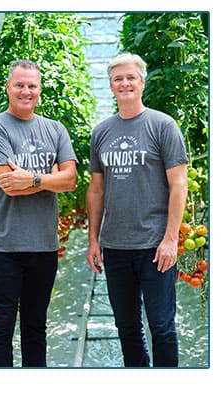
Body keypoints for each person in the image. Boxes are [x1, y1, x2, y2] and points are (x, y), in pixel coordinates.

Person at [86, 53, 188, 367]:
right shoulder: (101, 132)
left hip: (155, 247)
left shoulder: (162, 125)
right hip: (116, 247)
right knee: (127, 327)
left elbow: (179, 185)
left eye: (131, 77)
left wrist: (170, 239)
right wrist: (93, 240)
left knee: (161, 325)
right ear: (111, 86)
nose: (125, 83)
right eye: (118, 79)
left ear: (141, 82)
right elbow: (96, 189)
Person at [0, 59, 77, 367]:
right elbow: (9, 185)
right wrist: (50, 179)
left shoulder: (55, 129)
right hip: (2, 246)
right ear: (8, 87)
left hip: (44, 246)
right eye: (19, 84)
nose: (25, 91)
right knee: (1, 328)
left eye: (32, 85)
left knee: (36, 327)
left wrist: (32, 178)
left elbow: (70, 180)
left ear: (40, 90)